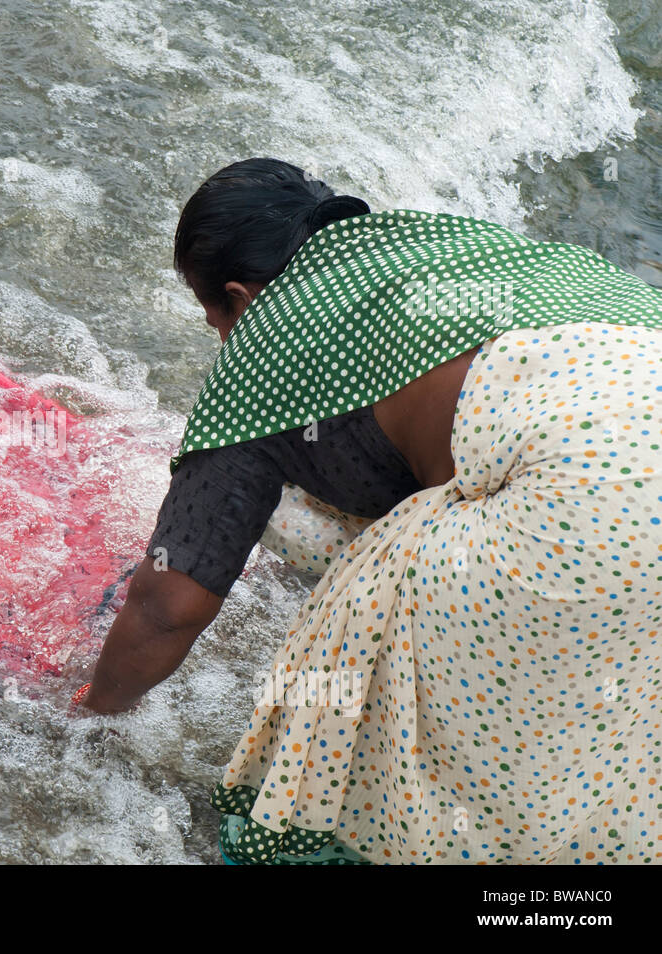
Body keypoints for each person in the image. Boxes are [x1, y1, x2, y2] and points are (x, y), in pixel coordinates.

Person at [82, 158, 662, 864]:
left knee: (412, 756)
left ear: (237, 297)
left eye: (213, 319)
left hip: (583, 502)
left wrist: (88, 715)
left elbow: (167, 606)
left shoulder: (267, 349)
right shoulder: (438, 245)